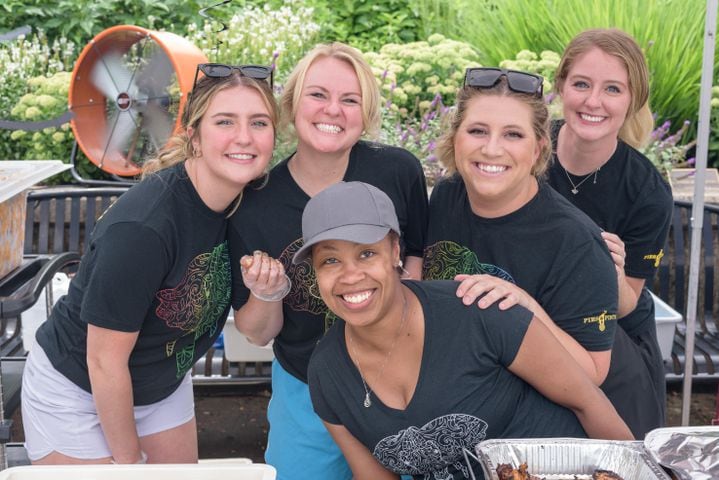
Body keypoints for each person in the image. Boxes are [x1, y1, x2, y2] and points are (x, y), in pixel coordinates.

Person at [21, 63, 278, 464]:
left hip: (161, 383)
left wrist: (269, 292)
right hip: (80, 389)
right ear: (194, 135)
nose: (244, 137)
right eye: (225, 121)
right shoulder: (144, 228)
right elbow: (104, 362)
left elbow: (258, 334)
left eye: (259, 122)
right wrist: (132, 466)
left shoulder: (247, 204)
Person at [300, 181, 633, 480]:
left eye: (367, 253)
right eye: (330, 261)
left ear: (395, 252)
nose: (350, 275)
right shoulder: (327, 372)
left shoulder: (476, 311)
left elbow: (590, 405)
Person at [228, 42, 428, 480]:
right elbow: (257, 333)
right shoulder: (254, 203)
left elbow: (417, 257)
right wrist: (267, 292)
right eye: (318, 94)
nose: (332, 110)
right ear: (293, 102)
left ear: (366, 111)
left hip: (400, 379)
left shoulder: (397, 171)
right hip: (305, 387)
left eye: (350, 99)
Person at [424, 68, 619, 390]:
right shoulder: (447, 197)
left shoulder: (575, 243)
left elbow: (593, 372)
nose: (491, 149)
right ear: (454, 137)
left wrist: (526, 308)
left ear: (538, 149)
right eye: (477, 131)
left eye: (513, 134)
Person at [546, 28, 673, 438]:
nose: (593, 101)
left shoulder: (647, 191)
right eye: (581, 84)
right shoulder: (525, 152)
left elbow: (626, 302)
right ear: (561, 86)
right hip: (531, 327)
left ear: (632, 100)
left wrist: (612, 273)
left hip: (615, 338)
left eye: (613, 89)